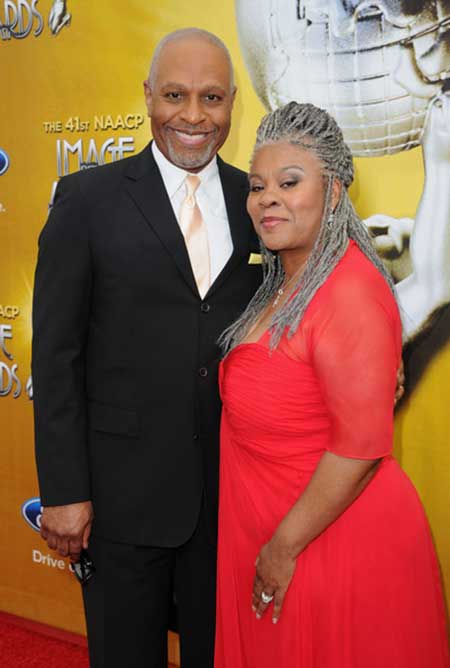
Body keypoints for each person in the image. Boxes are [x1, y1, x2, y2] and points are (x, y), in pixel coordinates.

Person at [32, 28, 262, 668]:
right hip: (118, 501)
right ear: (147, 96)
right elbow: (56, 357)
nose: (193, 116)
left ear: (233, 101)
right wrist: (64, 491)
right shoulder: (87, 200)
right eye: (175, 95)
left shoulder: (257, 202)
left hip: (229, 499)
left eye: (211, 97)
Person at [215, 102, 450, 668]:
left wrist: (283, 547)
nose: (267, 198)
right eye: (257, 186)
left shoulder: (350, 292)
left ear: (335, 192)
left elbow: (360, 447)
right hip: (280, 536)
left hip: (328, 547)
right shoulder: (282, 283)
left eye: (289, 182)